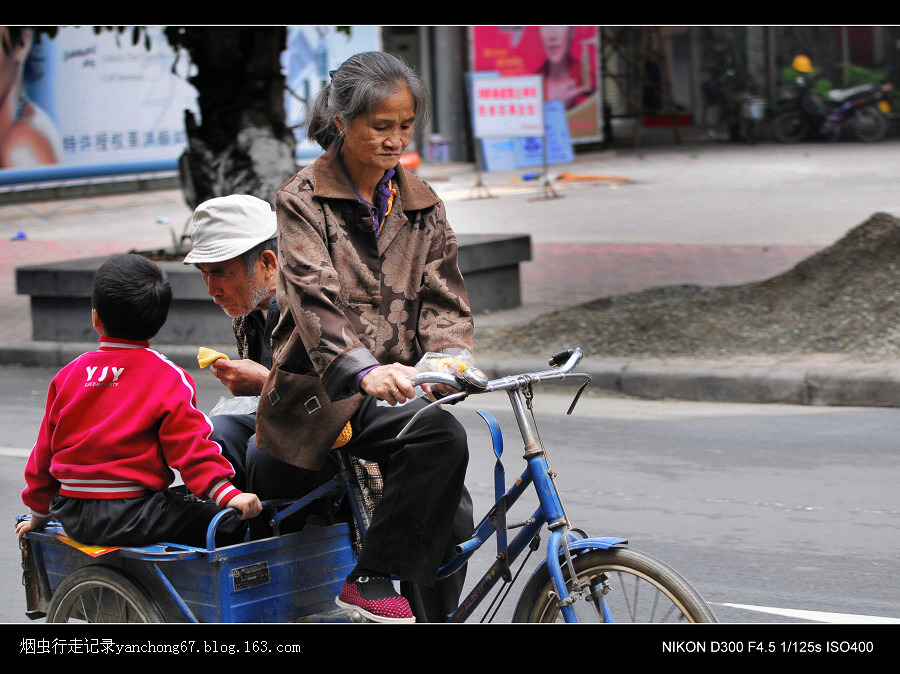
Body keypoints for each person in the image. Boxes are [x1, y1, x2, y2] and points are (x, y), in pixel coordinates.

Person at [256, 50, 474, 623]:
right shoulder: (302, 200)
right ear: (341, 121)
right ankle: (369, 580)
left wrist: (449, 361)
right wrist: (365, 370)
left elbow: (445, 299)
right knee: (441, 441)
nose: (395, 139)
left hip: (399, 391)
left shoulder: (423, 202)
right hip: (322, 396)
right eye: (381, 126)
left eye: (404, 126)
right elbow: (313, 299)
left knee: (451, 521)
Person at [16, 254, 261, 548]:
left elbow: (43, 454)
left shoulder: (69, 375)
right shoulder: (168, 376)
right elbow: (190, 448)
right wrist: (228, 495)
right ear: (158, 322)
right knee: (227, 522)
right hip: (135, 515)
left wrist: (38, 516)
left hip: (72, 514)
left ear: (96, 318)